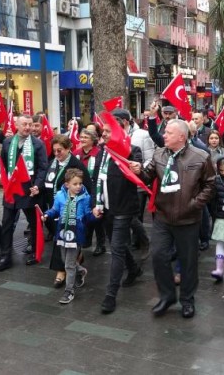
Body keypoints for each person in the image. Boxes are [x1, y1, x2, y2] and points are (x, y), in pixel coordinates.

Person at [131, 119, 216, 319]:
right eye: (165, 132)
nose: (164, 136)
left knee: (188, 262)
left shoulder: (201, 156)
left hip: (188, 219)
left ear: (182, 137)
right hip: (162, 217)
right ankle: (167, 296)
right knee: (158, 256)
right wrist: (138, 171)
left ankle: (187, 299)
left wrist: (194, 204)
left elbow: (211, 185)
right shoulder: (159, 154)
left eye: (169, 132)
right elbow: (147, 176)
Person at [92, 122, 144, 314]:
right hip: (105, 207)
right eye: (102, 131)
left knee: (116, 250)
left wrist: (137, 166)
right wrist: (95, 204)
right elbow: (95, 178)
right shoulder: (102, 151)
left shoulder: (132, 150)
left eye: (107, 131)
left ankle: (110, 295)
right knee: (118, 244)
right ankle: (134, 269)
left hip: (124, 208)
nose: (103, 134)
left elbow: (139, 169)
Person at [0, 114, 48, 272]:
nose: (28, 128)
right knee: (7, 223)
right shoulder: (8, 142)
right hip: (12, 189)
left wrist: (37, 185)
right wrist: (0, 174)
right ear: (16, 125)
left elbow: (43, 168)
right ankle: (5, 256)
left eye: (30, 125)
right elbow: (2, 162)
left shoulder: (38, 144)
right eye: (24, 124)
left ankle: (36, 252)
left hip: (29, 189)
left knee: (34, 222)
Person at [44, 135, 94, 287]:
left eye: (60, 150)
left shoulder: (75, 164)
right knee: (61, 241)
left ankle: (62, 272)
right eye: (54, 151)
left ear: (68, 149)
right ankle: (75, 264)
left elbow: (87, 188)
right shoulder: (54, 162)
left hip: (72, 210)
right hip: (56, 207)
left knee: (64, 242)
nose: (57, 154)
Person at [43, 169, 95, 304]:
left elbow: (88, 216)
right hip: (62, 232)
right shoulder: (60, 195)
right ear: (67, 184)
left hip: (76, 234)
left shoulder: (85, 198)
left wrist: (95, 216)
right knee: (65, 260)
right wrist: (47, 214)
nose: (78, 186)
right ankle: (81, 271)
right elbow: (55, 210)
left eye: (80, 184)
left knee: (68, 265)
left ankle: (69, 291)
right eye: (75, 184)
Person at [111, 109, 153, 256]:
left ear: (124, 121)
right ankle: (131, 242)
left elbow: (149, 157)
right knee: (128, 216)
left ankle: (141, 240)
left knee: (135, 215)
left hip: (137, 181)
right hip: (119, 183)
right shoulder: (111, 136)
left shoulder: (142, 134)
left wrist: (140, 171)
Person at [73, 128, 107, 256]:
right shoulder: (76, 153)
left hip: (94, 190)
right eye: (81, 137)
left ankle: (100, 244)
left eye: (85, 137)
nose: (82, 139)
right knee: (83, 216)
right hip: (80, 190)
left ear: (93, 140)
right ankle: (86, 239)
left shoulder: (98, 153)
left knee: (97, 218)